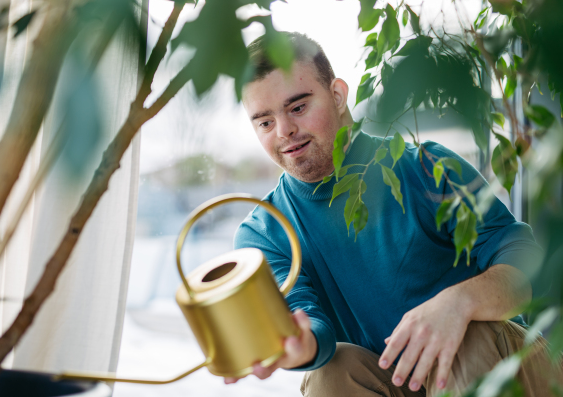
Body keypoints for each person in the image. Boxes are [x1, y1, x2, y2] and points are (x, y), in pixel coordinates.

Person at [227, 32, 558, 396]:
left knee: (467, 332)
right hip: (395, 380)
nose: (284, 131)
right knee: (332, 370)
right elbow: (305, 318)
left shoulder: (427, 167)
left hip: (510, 370)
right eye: (264, 122)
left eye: (298, 107)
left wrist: (458, 303)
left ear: (337, 95)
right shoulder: (263, 233)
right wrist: (302, 344)